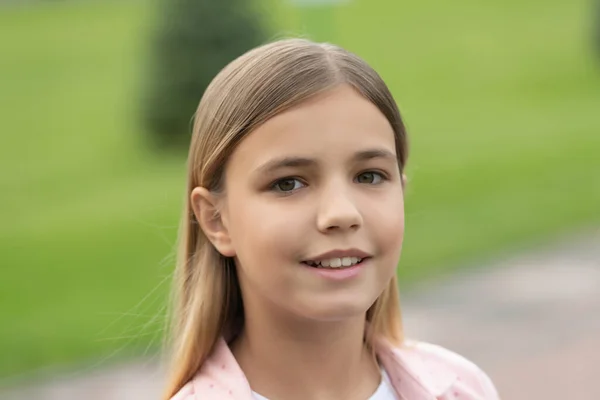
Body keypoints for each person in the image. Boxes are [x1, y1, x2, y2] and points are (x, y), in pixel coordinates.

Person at [164, 38, 499, 400]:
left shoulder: (462, 388)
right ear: (216, 220)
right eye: (288, 183)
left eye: (369, 176)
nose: (341, 213)